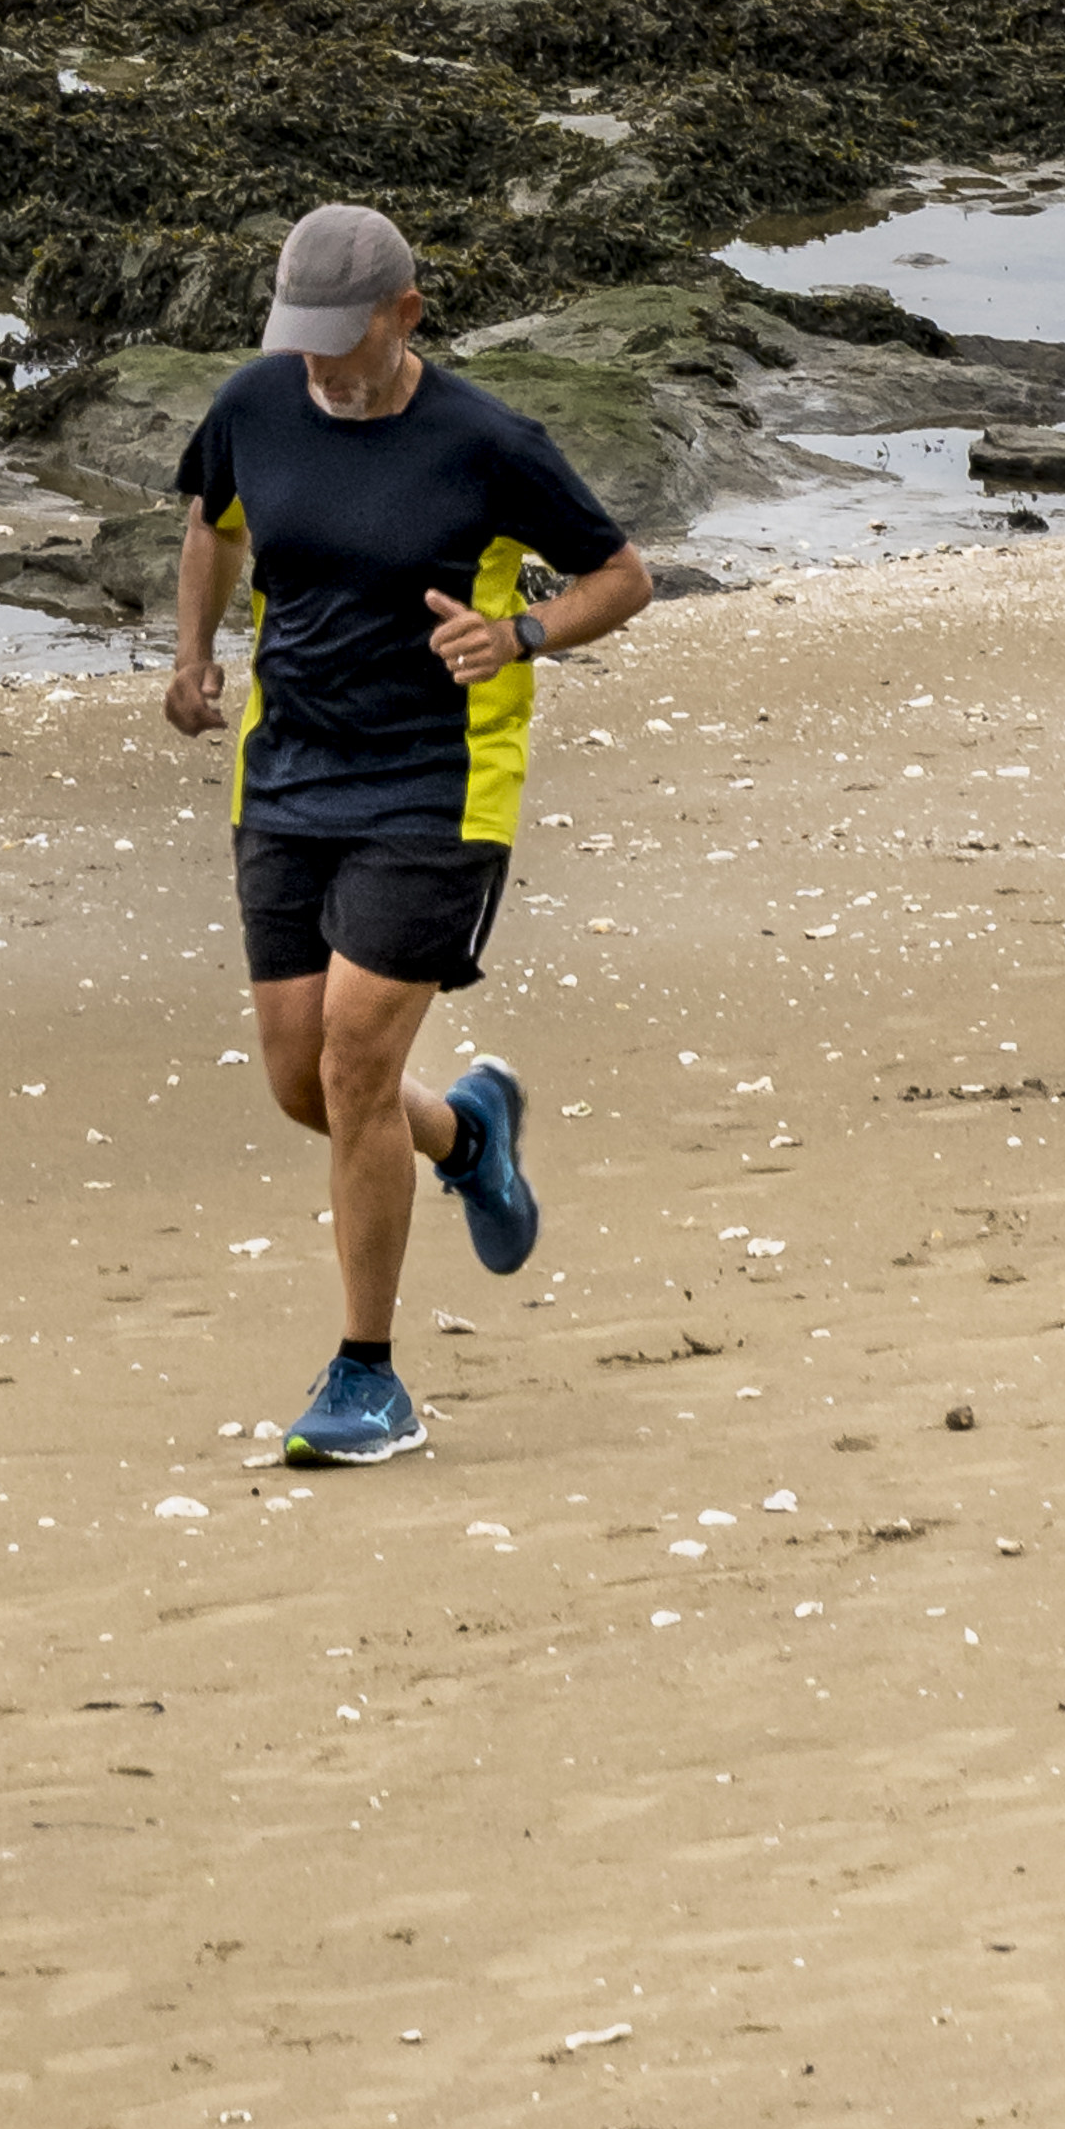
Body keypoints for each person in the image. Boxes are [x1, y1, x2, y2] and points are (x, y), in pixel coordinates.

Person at [166, 199, 651, 1469]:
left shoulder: (487, 442)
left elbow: (621, 574)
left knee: (354, 1059)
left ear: (405, 314)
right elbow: (211, 527)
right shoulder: (254, 407)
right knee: (298, 1082)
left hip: (437, 783)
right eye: (300, 338)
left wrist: (521, 635)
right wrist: (193, 656)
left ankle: (368, 1377)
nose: (320, 365)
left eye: (343, 339)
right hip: (287, 772)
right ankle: (469, 1133)